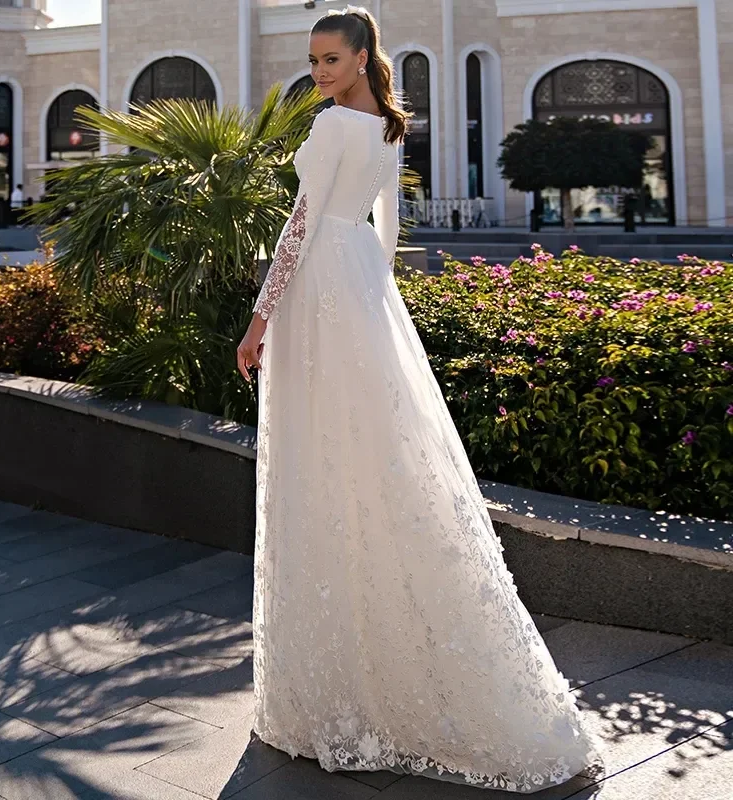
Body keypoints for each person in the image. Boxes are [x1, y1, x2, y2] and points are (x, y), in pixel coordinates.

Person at [236, 5, 605, 792]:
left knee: (323, 462)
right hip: (361, 289)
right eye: (313, 61)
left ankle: (339, 686)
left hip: (322, 291)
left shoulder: (339, 125)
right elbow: (388, 231)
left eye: (331, 59)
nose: (319, 73)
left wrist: (262, 314)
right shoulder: (388, 128)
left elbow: (301, 222)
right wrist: (376, 305)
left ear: (366, 55)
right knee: (373, 459)